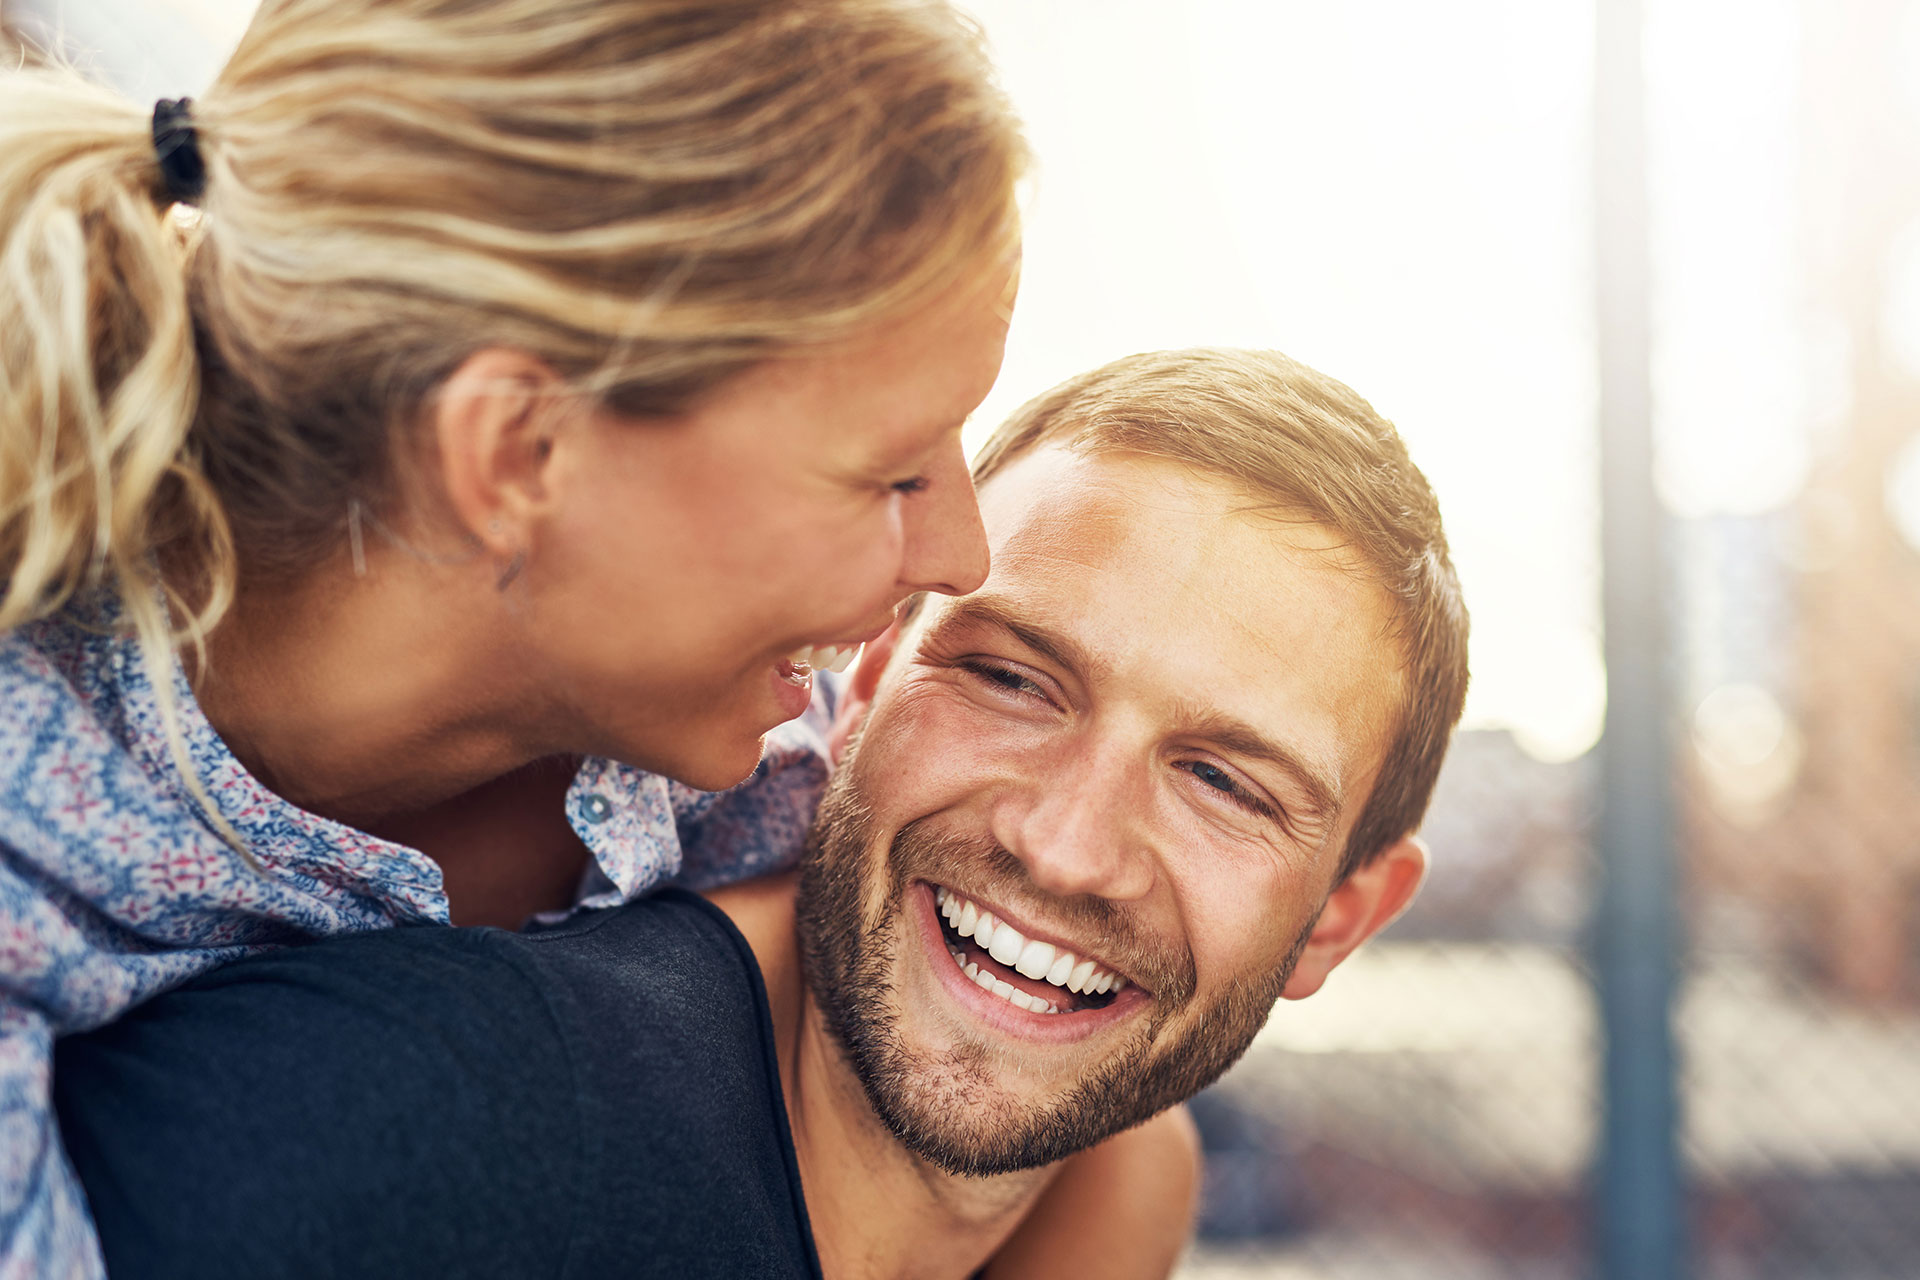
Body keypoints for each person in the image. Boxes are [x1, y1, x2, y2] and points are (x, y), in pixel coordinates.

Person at [0, 0, 1083, 1273]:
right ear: (516, 450)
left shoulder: (761, 763)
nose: (961, 554)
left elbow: (1109, 1134)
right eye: (893, 472)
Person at [54, 348, 1473, 1278]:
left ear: (1338, 918)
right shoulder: (405, 1127)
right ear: (859, 682)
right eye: (1014, 680)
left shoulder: (1107, 1179)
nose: (1064, 844)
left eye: (1222, 781)